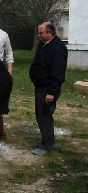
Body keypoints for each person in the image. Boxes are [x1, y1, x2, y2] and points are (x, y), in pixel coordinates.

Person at [29, 22, 68, 155]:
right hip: (40, 86)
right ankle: (49, 140)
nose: (38, 35)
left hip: (48, 88)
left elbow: (58, 72)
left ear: (49, 33)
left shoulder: (58, 48)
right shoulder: (45, 45)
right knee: (43, 114)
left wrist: (52, 92)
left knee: (43, 114)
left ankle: (47, 144)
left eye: (41, 33)